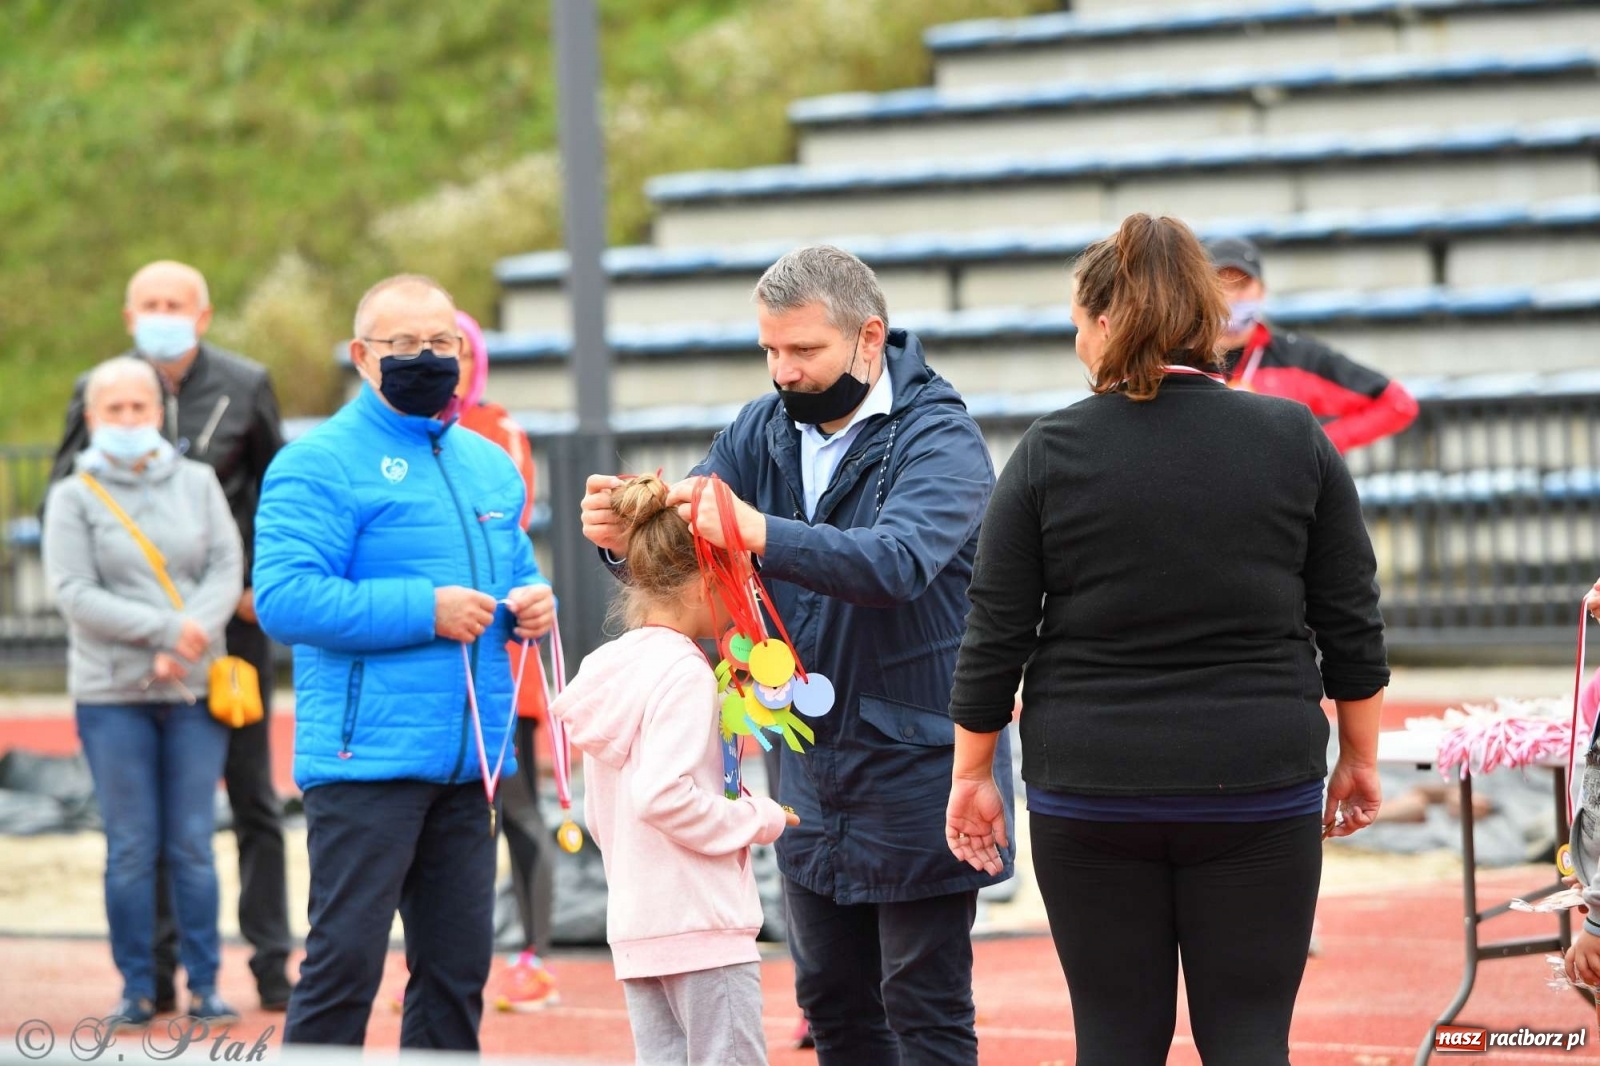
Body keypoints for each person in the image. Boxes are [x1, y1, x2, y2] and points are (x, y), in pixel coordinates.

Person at [945, 214, 1390, 1066]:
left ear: (1109, 322)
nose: (1077, 340)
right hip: (1258, 781)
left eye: (1078, 321)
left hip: (1092, 786)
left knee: (1113, 1039)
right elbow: (1351, 625)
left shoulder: (1048, 451)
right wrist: (1359, 760)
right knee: (1252, 1036)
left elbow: (993, 635)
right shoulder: (1292, 438)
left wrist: (972, 775)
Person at [581, 245, 1013, 1066]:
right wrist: (620, 544)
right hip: (807, 768)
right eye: (770, 351)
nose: (784, 371)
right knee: (833, 1011)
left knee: (924, 1011)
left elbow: (898, 563)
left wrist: (760, 532)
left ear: (868, 337)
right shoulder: (760, 426)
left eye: (803, 351)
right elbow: (686, 545)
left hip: (917, 765)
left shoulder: (942, 437)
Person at [252, 274, 555, 1049]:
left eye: (443, 343)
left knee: (457, 976)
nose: (428, 358)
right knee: (344, 969)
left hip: (470, 766)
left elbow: (512, 568)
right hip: (367, 765)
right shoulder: (315, 463)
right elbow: (285, 600)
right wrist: (426, 609)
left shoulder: (488, 465)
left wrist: (532, 603)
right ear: (361, 356)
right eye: (406, 345)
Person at [47, 260, 293, 1012]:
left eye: (174, 304)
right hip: (126, 652)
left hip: (227, 635)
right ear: (129, 316)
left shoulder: (246, 384)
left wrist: (250, 584)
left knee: (251, 799)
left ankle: (271, 966)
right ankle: (151, 976)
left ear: (203, 314)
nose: (162, 314)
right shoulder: (99, 389)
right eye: (149, 304)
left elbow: (274, 491)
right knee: (145, 828)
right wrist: (160, 624)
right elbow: (68, 490)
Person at [553, 474, 796, 1065]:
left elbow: (603, 808)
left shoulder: (611, 667)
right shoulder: (683, 672)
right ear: (700, 586)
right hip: (701, 926)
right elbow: (663, 796)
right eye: (737, 578)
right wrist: (757, 818)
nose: (746, 593)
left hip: (639, 927)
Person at [42, 356, 244, 1028]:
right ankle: (137, 986)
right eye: (113, 410)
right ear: (92, 418)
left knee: (191, 841)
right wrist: (166, 632)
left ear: (159, 412)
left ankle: (206, 984)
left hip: (193, 692)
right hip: (110, 695)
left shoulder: (199, 480)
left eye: (139, 407)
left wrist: (191, 635)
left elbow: (225, 564)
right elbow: (73, 593)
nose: (128, 420)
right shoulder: (73, 495)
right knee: (131, 845)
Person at [1207, 235, 1419, 453]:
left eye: (1241, 284)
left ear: (1261, 291)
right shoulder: (1182, 359)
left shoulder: (1300, 358)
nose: (1230, 297)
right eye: (1219, 285)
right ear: (1201, 291)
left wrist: (1317, 446)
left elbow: (1397, 404)